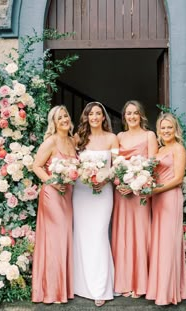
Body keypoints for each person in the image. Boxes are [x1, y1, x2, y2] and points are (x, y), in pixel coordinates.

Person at [73, 102, 119, 307]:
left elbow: (117, 167)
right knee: (82, 236)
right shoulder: (78, 138)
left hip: (103, 192)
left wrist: (104, 178)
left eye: (98, 113)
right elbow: (70, 164)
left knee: (99, 235)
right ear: (86, 117)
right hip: (82, 193)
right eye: (90, 114)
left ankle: (101, 288)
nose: (94, 117)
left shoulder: (112, 138)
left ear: (103, 117)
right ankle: (80, 285)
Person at [111, 100, 158, 298]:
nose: (132, 117)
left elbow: (153, 165)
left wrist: (137, 184)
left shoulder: (149, 135)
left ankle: (141, 284)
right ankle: (123, 282)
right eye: (128, 113)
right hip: (122, 194)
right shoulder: (118, 136)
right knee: (122, 236)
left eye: (135, 113)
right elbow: (114, 165)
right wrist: (118, 183)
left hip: (140, 193)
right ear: (124, 117)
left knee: (141, 234)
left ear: (141, 116)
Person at [32, 105, 76, 304]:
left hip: (67, 194)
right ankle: (52, 291)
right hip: (52, 194)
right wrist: (51, 181)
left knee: (64, 238)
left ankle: (62, 289)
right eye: (60, 118)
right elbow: (36, 166)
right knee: (56, 239)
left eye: (66, 115)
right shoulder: (50, 142)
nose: (64, 119)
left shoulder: (72, 141)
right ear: (54, 122)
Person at [146, 112, 186, 305]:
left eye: (169, 127)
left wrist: (156, 189)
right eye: (162, 128)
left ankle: (168, 293)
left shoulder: (178, 149)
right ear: (158, 130)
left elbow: (178, 178)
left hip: (170, 197)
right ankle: (158, 289)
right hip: (157, 200)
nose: (166, 131)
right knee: (159, 243)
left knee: (168, 243)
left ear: (175, 129)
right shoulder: (159, 151)